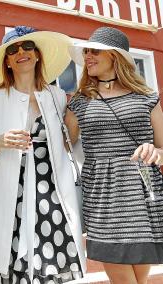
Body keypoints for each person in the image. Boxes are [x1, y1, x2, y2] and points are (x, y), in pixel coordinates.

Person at [0, 26, 86, 283]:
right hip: (10, 193)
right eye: (13, 50)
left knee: (50, 263)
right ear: (8, 61)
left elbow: (71, 143)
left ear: (37, 55)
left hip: (52, 190)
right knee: (14, 264)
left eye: (27, 47)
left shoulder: (57, 96)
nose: (21, 53)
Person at [65, 26, 163, 284]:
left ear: (115, 57)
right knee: (122, 275)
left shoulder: (146, 98)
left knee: (140, 275)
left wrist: (155, 151)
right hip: (102, 191)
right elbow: (63, 143)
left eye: (95, 51)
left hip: (142, 190)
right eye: (86, 51)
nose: (88, 56)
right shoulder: (79, 101)